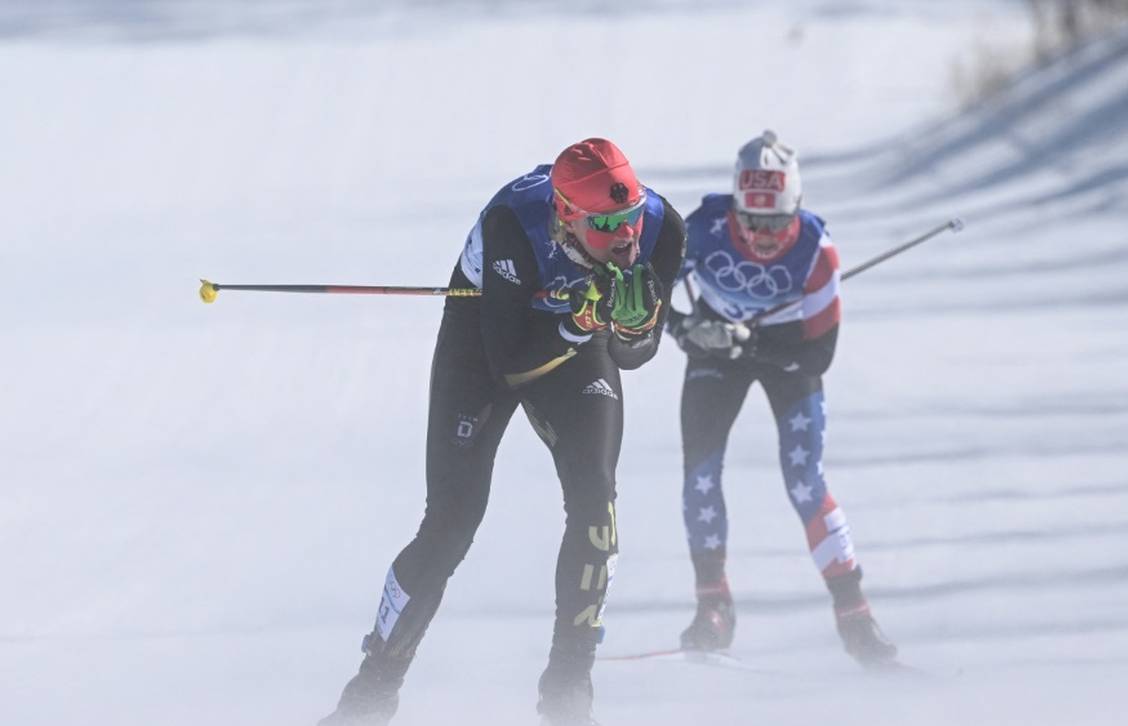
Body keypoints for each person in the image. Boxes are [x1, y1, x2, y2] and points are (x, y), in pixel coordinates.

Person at [320, 138, 685, 726]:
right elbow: (509, 364)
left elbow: (631, 354)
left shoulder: (664, 230)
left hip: (575, 332)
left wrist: (634, 326)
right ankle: (371, 690)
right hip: (491, 328)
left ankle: (569, 688)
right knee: (452, 520)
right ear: (566, 216)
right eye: (608, 223)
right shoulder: (512, 222)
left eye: (632, 215)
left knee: (597, 501)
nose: (627, 237)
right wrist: (580, 319)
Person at [666, 131, 896, 665]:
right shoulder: (702, 229)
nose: (765, 237)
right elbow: (647, 303)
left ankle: (854, 612)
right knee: (699, 473)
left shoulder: (817, 250)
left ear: (797, 209)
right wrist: (688, 331)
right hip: (714, 354)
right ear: (735, 209)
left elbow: (819, 357)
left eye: (777, 224)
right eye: (753, 222)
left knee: (805, 480)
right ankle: (713, 606)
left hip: (789, 356)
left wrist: (749, 341)